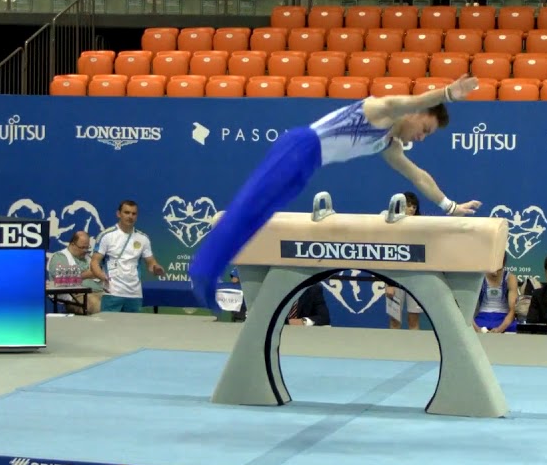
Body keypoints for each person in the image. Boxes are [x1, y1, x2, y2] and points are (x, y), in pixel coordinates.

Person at [189, 75, 483, 310]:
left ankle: (209, 271)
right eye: (426, 129)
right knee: (249, 206)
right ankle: (203, 270)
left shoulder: (387, 144)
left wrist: (451, 206)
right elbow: (414, 100)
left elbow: (418, 176)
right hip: (300, 146)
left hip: (308, 165)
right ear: (416, 113)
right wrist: (448, 93)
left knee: (259, 217)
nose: (421, 137)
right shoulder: (380, 110)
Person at [90, 200, 165, 313]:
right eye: (127, 212)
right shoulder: (106, 236)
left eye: (133, 214)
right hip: (112, 292)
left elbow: (150, 263)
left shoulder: (143, 238)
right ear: (118, 214)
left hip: (134, 294)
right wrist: (102, 276)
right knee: (108, 328)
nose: (130, 216)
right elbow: (94, 262)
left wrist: (156, 268)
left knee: (133, 329)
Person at [384, 191, 425, 330]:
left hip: (416, 280)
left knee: (413, 321)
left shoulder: (421, 228)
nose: (412, 209)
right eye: (408, 205)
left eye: (414, 206)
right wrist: (388, 284)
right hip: (395, 280)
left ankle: (415, 351)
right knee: (395, 321)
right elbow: (387, 256)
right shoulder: (391, 228)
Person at [473, 253, 519, 333]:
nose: (495, 273)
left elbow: (512, 311)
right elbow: (466, 309)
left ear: (503, 265)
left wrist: (500, 329)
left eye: (498, 269)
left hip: (503, 317)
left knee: (516, 327)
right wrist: (477, 329)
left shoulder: (510, 277)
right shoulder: (478, 277)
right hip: (483, 316)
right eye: (492, 269)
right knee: (466, 326)